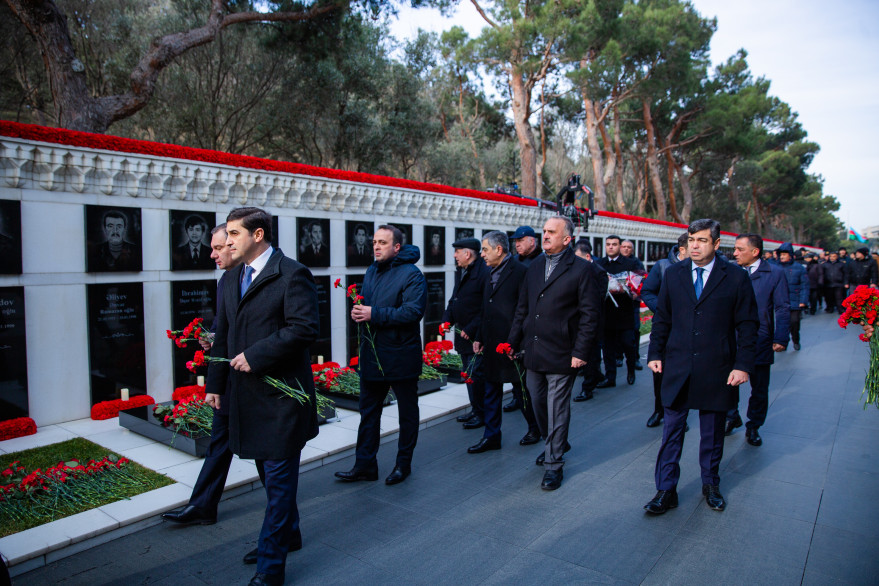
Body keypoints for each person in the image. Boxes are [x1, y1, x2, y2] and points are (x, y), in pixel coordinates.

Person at [205, 207, 319, 586]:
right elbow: (223, 334)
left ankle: (270, 568)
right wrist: (214, 384)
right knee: (271, 479)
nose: (227, 241)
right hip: (246, 398)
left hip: (282, 400)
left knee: (279, 481)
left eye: (234, 234)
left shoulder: (292, 274)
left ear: (257, 236)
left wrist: (256, 355)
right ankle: (291, 534)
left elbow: (304, 329)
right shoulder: (230, 278)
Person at [644, 218, 758, 515]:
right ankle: (665, 490)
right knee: (671, 432)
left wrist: (742, 364)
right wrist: (655, 353)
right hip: (677, 365)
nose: (694, 245)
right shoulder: (674, 274)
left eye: (702, 240)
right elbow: (663, 318)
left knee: (712, 432)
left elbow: (747, 324)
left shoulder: (734, 277)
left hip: (717, 367)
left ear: (717, 244)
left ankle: (710, 484)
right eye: (691, 239)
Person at [508, 216, 603, 490]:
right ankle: (556, 440)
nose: (545, 235)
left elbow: (589, 315)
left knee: (556, 406)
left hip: (563, 351)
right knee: (537, 401)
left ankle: (554, 464)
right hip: (534, 350)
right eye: (544, 231)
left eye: (552, 232)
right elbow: (522, 308)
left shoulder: (581, 270)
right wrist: (513, 341)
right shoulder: (535, 266)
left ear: (567, 239)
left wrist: (581, 351)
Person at [335, 225, 427, 485]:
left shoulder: (412, 275)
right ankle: (365, 465)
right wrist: (359, 312)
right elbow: (368, 305)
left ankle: (403, 464)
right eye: (374, 242)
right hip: (373, 355)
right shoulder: (372, 270)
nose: (375, 246)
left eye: (382, 242)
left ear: (397, 247)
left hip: (401, 356)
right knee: (368, 412)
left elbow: (412, 312)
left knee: (407, 413)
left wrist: (374, 313)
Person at [725, 234, 790, 446]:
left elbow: (781, 307)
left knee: (759, 388)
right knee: (728, 383)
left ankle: (753, 426)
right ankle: (732, 416)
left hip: (760, 339)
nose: (734, 253)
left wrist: (780, 337)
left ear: (755, 252)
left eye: (739, 249)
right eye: (734, 249)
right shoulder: (730, 271)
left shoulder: (774, 273)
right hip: (731, 338)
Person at [468, 231, 528, 453]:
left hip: (512, 345)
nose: (481, 254)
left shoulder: (521, 272)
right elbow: (485, 307)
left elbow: (524, 311)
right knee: (491, 390)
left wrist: (514, 342)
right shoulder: (488, 272)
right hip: (491, 343)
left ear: (499, 250)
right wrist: (480, 337)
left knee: (522, 392)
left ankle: (535, 427)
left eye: (485, 249)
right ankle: (492, 435)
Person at [640, 232, 689, 427]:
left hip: (688, 329)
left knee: (684, 373)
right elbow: (647, 291)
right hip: (665, 327)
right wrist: (662, 308)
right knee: (660, 373)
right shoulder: (662, 266)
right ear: (682, 249)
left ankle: (678, 414)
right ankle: (659, 410)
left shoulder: (698, 267)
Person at [442, 237, 489, 429]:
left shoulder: (484, 273)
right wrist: (447, 319)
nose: (454, 256)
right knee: (468, 376)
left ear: (467, 253)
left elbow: (486, 308)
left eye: (457, 251)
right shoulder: (462, 272)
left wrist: (471, 329)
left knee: (476, 377)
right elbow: (455, 299)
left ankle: (482, 413)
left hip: (476, 337)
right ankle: (475, 409)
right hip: (463, 338)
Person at [503, 225, 542, 414]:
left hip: (530, 321)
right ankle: (518, 397)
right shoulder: (515, 261)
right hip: (514, 318)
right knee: (514, 366)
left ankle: (531, 403)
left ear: (532, 241)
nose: (516, 245)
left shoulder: (541, 261)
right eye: (515, 242)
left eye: (520, 241)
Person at [595, 235, 641, 387]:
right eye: (608, 244)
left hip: (625, 312)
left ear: (620, 246)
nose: (611, 247)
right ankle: (610, 378)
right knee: (608, 348)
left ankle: (631, 370)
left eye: (614, 244)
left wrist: (634, 292)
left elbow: (640, 281)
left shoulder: (630, 263)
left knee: (628, 344)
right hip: (606, 312)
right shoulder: (599, 263)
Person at [572, 239, 606, 402]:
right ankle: (597, 376)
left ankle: (588, 388)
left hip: (591, 322)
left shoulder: (598, 272)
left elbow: (596, 300)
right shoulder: (577, 271)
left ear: (587, 256)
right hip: (577, 321)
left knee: (591, 354)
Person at [775, 243, 808, 351]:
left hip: (795, 301)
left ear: (790, 255)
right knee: (780, 323)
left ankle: (795, 340)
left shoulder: (799, 268)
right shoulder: (775, 267)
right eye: (781, 254)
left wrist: (803, 301)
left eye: (785, 254)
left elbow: (804, 285)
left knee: (794, 323)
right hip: (779, 301)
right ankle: (782, 342)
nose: (782, 256)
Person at [620, 239, 645, 371]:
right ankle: (618, 356)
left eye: (628, 247)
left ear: (632, 250)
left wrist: (637, 293)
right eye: (623, 246)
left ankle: (635, 358)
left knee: (635, 330)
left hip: (633, 302)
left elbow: (642, 279)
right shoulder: (615, 262)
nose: (626, 249)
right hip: (617, 303)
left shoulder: (637, 263)